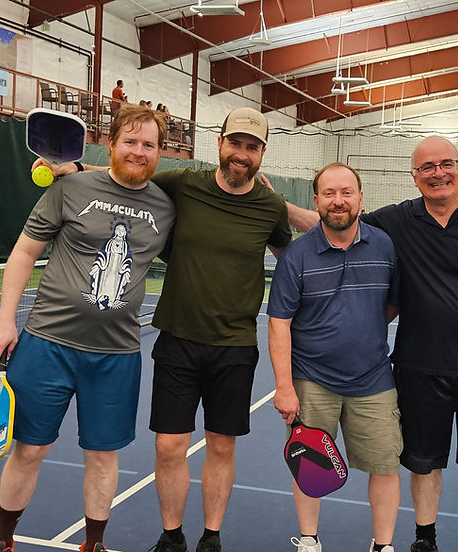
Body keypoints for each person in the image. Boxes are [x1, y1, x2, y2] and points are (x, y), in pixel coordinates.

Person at [282, 136, 458, 552]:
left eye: (445, 164)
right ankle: (423, 540)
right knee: (423, 464)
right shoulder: (397, 221)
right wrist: (276, 205)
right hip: (419, 368)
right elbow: (333, 220)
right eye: (427, 168)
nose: (437, 173)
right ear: (414, 177)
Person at [34, 107, 292, 552]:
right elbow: (128, 171)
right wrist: (75, 168)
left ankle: (211, 538)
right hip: (176, 340)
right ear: (220, 144)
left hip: (234, 347)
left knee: (222, 447)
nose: (241, 154)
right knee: (170, 448)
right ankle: (172, 537)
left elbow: (292, 259)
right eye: (235, 143)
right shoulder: (184, 184)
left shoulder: (269, 206)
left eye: (252, 147)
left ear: (262, 153)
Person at [0, 104, 176, 552]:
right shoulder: (71, 187)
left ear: (160, 152)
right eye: (130, 141)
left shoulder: (167, 208)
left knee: (103, 456)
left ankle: (94, 545)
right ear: (111, 144)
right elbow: (24, 253)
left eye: (148, 144)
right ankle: (3, 538)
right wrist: (4, 321)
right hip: (47, 344)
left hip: (116, 355)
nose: (138, 151)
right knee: (29, 449)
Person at [267, 163, 401, 552]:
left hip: (373, 379)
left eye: (346, 192)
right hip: (312, 380)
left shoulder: (384, 246)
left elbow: (393, 301)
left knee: (385, 466)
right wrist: (284, 387)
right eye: (329, 193)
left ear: (360, 198)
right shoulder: (297, 256)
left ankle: (384, 545)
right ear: (316, 201)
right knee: (308, 465)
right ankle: (308, 541)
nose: (338, 201)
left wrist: (363, 330)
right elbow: (279, 324)